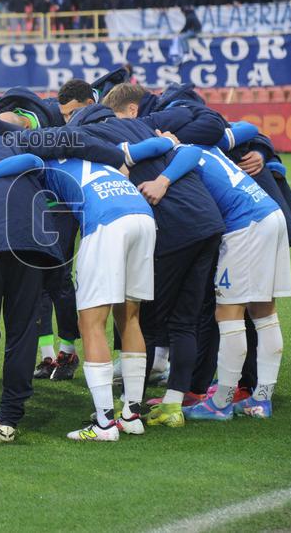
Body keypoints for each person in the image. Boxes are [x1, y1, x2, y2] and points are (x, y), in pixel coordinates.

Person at [0, 135, 178, 441]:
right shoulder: (101, 159)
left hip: (106, 223)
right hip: (141, 215)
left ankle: (104, 424)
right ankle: (131, 415)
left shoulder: (46, 161)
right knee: (130, 317)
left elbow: (28, 161)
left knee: (91, 322)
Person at [90, 84, 225, 428]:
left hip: (175, 227)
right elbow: (191, 151)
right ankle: (173, 405)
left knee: (144, 320)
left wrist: (161, 182)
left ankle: (128, 407)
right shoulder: (150, 129)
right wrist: (165, 172)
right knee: (185, 319)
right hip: (207, 222)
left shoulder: (103, 141)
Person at [141, 124, 291, 422]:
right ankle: (262, 398)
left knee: (228, 313)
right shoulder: (212, 145)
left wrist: (163, 173)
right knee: (264, 311)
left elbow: (188, 152)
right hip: (270, 212)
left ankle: (221, 402)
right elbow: (247, 128)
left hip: (245, 225)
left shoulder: (180, 152)